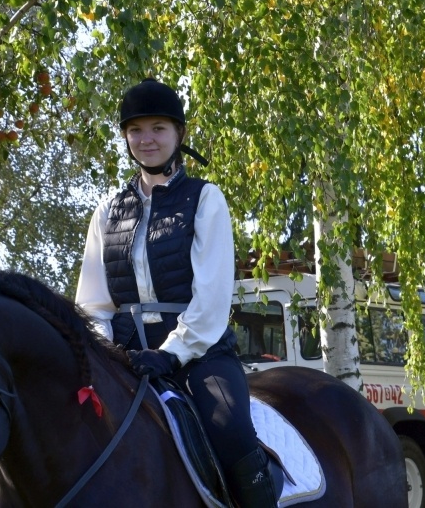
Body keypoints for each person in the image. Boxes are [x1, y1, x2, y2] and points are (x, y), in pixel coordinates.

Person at [75, 78, 280, 507]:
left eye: (158, 128)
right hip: (125, 355)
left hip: (199, 352)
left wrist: (171, 353)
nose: (146, 139)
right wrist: (104, 354)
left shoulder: (205, 199)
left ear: (179, 134)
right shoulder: (106, 212)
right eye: (136, 130)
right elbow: (93, 302)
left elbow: (211, 298)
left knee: (230, 429)